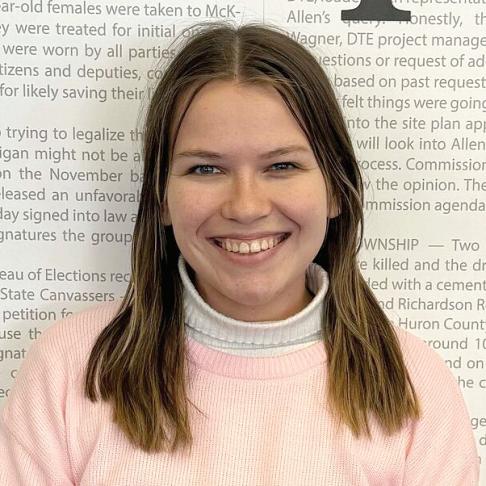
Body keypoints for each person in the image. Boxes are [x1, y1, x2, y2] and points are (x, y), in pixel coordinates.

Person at [0, 20, 480, 485]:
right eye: (206, 169)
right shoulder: (69, 369)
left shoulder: (416, 385)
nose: (246, 207)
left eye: (282, 165)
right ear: (161, 198)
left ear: (336, 189)